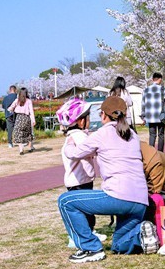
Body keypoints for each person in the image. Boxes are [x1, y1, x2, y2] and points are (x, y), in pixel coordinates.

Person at [58, 96, 149, 262]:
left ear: (103, 115)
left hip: (119, 197)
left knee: (66, 201)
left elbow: (74, 154)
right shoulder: (133, 135)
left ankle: (90, 248)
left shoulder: (102, 134)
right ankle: (141, 233)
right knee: (119, 245)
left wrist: (70, 142)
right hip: (141, 202)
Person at [57, 98, 101, 249]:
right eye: (88, 118)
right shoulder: (79, 136)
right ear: (81, 121)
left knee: (80, 211)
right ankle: (81, 236)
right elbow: (91, 150)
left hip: (74, 180)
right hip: (80, 180)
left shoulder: (72, 135)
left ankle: (84, 233)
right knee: (85, 211)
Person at [141, 73, 165, 152]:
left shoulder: (146, 90)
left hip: (150, 116)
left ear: (153, 79)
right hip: (161, 116)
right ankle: (160, 154)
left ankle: (151, 154)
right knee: (161, 135)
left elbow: (143, 103)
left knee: (152, 135)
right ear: (160, 79)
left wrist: (143, 116)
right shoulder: (163, 89)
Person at [10, 86, 36, 154]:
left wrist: (11, 110)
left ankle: (21, 150)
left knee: (18, 133)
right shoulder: (29, 101)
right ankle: (30, 147)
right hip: (26, 118)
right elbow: (31, 111)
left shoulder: (17, 100)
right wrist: (33, 120)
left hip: (19, 118)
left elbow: (11, 107)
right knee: (28, 133)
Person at [2, 84, 18, 149]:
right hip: (17, 114)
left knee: (10, 129)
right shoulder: (17, 96)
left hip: (8, 114)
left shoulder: (5, 98)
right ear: (15, 90)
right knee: (19, 127)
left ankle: (10, 143)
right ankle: (20, 141)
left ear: (9, 90)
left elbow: (3, 106)